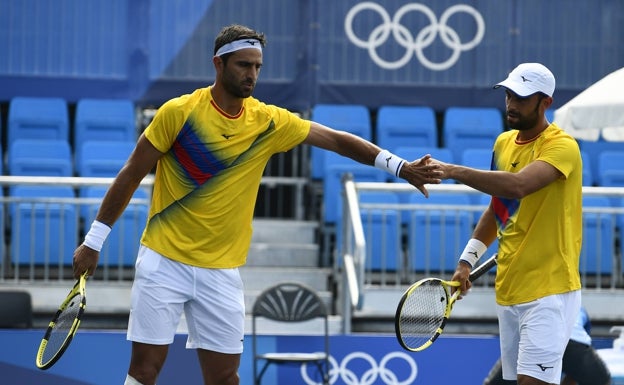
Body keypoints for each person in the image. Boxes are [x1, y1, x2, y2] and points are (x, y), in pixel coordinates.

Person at [71, 24, 442, 385]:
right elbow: (131, 173)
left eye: (257, 67)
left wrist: (400, 167)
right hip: (163, 261)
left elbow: (337, 140)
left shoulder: (267, 121)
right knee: (145, 372)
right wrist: (94, 240)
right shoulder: (178, 112)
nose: (252, 75)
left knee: (225, 377)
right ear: (218, 64)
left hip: (222, 271)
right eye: (243, 65)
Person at [429, 63, 583, 385]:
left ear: (545, 103)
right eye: (509, 95)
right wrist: (466, 262)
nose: (512, 104)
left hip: (549, 292)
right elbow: (500, 207)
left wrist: (453, 171)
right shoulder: (503, 143)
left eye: (522, 98)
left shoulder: (563, 146)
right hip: (509, 292)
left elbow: (517, 186)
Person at [483, 307, 611, 385]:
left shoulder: (535, 300)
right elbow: (576, 363)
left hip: (536, 340)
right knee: (602, 380)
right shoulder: (578, 307)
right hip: (572, 344)